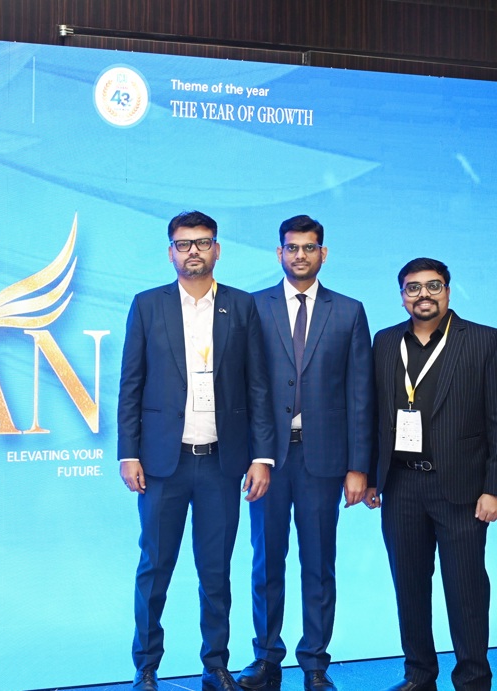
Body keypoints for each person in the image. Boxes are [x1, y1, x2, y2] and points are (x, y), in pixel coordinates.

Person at [118, 210, 276, 691]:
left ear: (217, 250)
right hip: (162, 464)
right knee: (154, 568)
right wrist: (128, 452)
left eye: (202, 242)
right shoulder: (148, 305)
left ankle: (215, 664)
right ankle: (146, 667)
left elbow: (258, 386)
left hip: (221, 464)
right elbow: (130, 384)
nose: (193, 251)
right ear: (170, 252)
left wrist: (262, 456)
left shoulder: (241, 306)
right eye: (183, 244)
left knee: (216, 571)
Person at [366, 257, 497, 691]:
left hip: (462, 489)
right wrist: (373, 476)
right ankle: (419, 675)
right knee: (409, 588)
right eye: (413, 288)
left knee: (466, 590)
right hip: (400, 484)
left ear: (448, 291)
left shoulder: (484, 340)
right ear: (402, 297)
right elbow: (375, 415)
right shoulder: (385, 341)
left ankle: (473, 679)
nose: (424, 295)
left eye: (433, 286)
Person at [237, 215, 374, 691]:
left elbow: (360, 394)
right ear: (279, 253)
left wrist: (359, 466)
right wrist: (252, 454)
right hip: (267, 460)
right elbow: (243, 386)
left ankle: (315, 662)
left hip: (325, 461)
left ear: (323, 254)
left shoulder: (349, 311)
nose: (300, 255)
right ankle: (265, 659)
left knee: (318, 565)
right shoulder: (253, 306)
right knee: (265, 562)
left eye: (309, 248)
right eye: (292, 248)